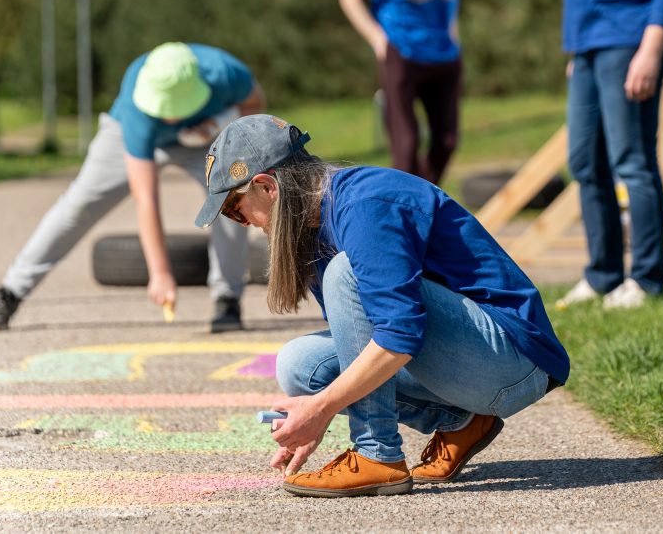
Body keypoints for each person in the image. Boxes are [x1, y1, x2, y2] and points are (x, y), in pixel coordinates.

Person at [194, 114, 569, 497]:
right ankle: (462, 422)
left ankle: (377, 456)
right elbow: (359, 339)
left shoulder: (365, 205)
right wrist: (313, 418)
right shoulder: (316, 224)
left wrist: (321, 410)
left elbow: (398, 335)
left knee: (346, 272)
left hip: (513, 359)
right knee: (299, 365)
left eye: (233, 209)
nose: (242, 222)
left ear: (267, 187)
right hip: (470, 359)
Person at [0, 42, 265, 334]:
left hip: (203, 139)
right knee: (79, 205)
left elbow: (255, 104)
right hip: (124, 137)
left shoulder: (227, 73)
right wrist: (160, 272)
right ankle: (10, 292)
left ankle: (227, 299)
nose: (168, 116)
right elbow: (146, 200)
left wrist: (217, 122)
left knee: (232, 199)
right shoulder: (136, 106)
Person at [557, 0, 663, 310]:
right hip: (588, 45)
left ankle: (647, 279)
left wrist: (651, 50)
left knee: (632, 160)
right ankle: (603, 275)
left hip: (629, 40)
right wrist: (580, 49)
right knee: (584, 162)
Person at [339, 0, 472, 186]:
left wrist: (453, 33)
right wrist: (377, 38)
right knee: (406, 146)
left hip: (444, 53)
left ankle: (422, 201)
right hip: (402, 53)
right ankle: (404, 212)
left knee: (447, 141)